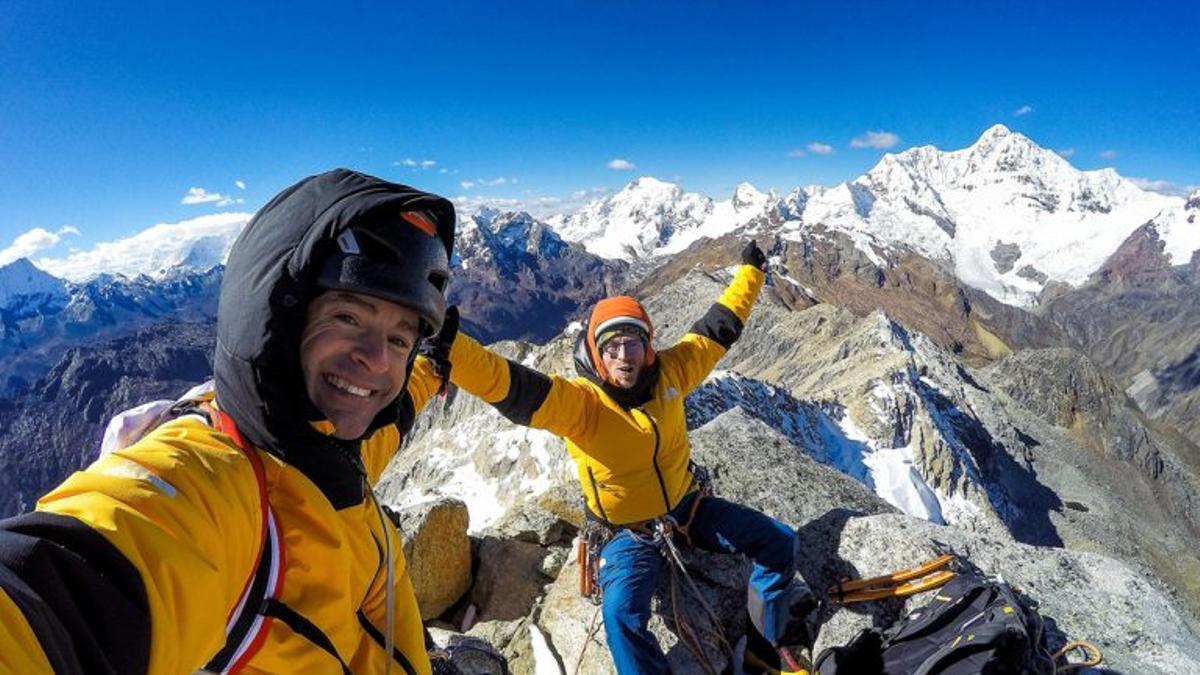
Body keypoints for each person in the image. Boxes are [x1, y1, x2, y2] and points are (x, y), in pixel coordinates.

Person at [0, 169, 456, 674]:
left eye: (399, 338)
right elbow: (62, 589)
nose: (378, 360)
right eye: (347, 316)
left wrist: (431, 367)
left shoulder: (334, 445)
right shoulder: (215, 481)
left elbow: (396, 406)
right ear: (273, 321)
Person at [424, 241, 816, 674]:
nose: (624, 357)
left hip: (688, 508)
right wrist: (450, 349)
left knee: (779, 542)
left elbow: (720, 326)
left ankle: (763, 648)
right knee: (621, 616)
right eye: (612, 347)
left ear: (648, 346)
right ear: (595, 352)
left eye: (633, 343)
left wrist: (751, 274)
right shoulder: (580, 406)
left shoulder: (672, 370)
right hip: (625, 533)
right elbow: (508, 384)